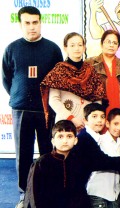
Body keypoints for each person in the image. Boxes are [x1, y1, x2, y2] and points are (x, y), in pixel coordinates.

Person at [1, 6, 63, 207]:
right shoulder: (12, 48)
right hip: (21, 109)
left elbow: (59, 79)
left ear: (40, 22)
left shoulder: (53, 49)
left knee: (48, 151)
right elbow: (6, 78)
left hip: (46, 109)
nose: (31, 27)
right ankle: (24, 194)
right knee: (23, 154)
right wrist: (18, 96)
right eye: (27, 23)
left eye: (35, 22)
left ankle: (47, 191)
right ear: (20, 24)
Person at [40, 32, 106, 133]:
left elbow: (98, 99)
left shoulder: (90, 71)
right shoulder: (59, 71)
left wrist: (91, 120)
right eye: (72, 45)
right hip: (65, 123)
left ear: (84, 48)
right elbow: (53, 100)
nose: (77, 48)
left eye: (80, 45)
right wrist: (72, 119)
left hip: (88, 126)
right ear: (65, 48)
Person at [87, 108, 120, 208]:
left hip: (114, 193)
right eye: (116, 123)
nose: (119, 128)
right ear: (108, 123)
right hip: (99, 193)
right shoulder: (99, 141)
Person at [85, 30, 120, 114]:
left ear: (118, 46)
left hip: (119, 113)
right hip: (97, 113)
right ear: (102, 44)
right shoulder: (89, 63)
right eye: (108, 42)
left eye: (115, 43)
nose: (111, 45)